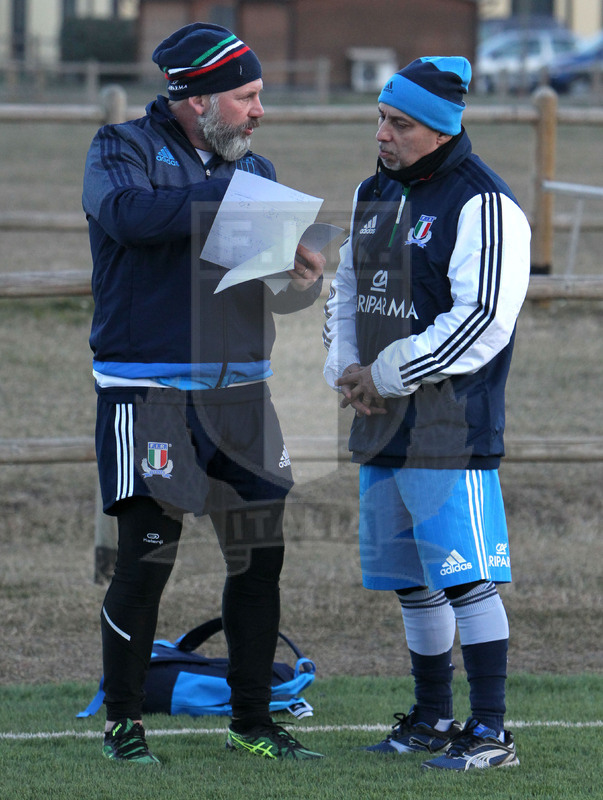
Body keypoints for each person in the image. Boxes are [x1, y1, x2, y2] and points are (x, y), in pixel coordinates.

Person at [83, 22, 326, 764]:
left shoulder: (250, 164)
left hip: (244, 399)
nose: (259, 111)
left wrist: (287, 269)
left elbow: (245, 280)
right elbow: (127, 219)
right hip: (149, 394)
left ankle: (251, 723)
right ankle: (124, 725)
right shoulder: (119, 149)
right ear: (199, 99)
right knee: (146, 559)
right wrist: (225, 192)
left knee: (259, 563)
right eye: (248, 96)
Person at [323, 56, 530, 771]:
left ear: (440, 130)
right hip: (379, 418)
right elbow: (349, 288)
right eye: (379, 117)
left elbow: (480, 322)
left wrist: (383, 373)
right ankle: (431, 719)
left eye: (399, 123)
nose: (382, 133)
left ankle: (491, 731)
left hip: (449, 424)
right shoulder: (372, 191)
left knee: (462, 574)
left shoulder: (485, 204)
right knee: (410, 578)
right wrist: (344, 372)